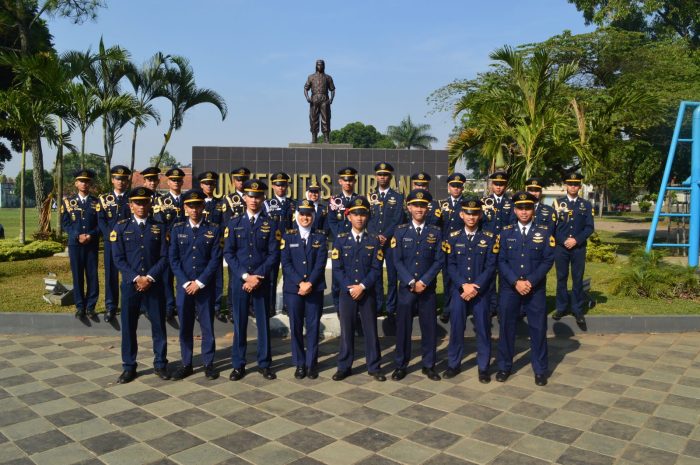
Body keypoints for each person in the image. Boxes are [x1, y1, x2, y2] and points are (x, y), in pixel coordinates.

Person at [110, 187, 170, 384]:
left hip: (154, 286)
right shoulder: (120, 228)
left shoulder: (159, 228)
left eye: (144, 202)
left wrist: (150, 277)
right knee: (128, 327)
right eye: (137, 202)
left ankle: (160, 363)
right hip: (130, 286)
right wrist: (136, 278)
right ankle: (129, 366)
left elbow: (164, 256)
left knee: (159, 326)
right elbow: (118, 259)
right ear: (130, 205)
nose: (141, 206)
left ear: (150, 204)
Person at [223, 179, 280, 381]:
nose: (254, 200)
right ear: (244, 197)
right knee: (240, 324)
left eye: (258, 196)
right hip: (241, 281)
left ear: (263, 198)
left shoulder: (270, 224)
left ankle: (264, 364)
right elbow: (229, 253)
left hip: (261, 282)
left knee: (263, 324)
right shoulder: (234, 222)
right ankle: (238, 364)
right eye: (250, 196)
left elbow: (273, 255)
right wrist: (246, 276)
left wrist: (257, 276)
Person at [497, 192, 555, 386]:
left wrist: (529, 281)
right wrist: (516, 282)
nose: (524, 212)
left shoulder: (544, 232)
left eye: (527, 208)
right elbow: (501, 260)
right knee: (506, 329)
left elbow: (548, 260)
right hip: (509, 289)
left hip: (535, 290)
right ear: (514, 210)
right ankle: (504, 366)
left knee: (538, 329)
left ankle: (540, 369)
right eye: (520, 208)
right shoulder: (505, 233)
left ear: (533, 210)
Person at [169, 190, 223, 381]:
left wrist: (199, 283)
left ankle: (208, 363)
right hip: (184, 287)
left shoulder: (213, 229)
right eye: (190, 206)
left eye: (197, 205)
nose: (194, 209)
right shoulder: (177, 229)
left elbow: (215, 259)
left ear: (203, 207)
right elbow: (173, 259)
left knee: (207, 326)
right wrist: (186, 282)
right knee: (185, 326)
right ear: (184, 208)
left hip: (204, 287)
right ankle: (186, 363)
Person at [330, 196, 386, 382]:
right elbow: (337, 269)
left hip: (366, 292)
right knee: (346, 331)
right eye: (355, 214)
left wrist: (361, 286)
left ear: (367, 216)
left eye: (363, 214)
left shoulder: (374, 240)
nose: (359, 218)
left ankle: (374, 366)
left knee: (371, 330)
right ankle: (344, 366)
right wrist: (351, 287)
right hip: (347, 293)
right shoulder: (341, 240)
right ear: (348, 216)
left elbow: (376, 269)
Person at [391, 190, 443, 381]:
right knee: (403, 329)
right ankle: (400, 365)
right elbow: (397, 261)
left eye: (423, 205)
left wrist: (424, 281)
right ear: (409, 208)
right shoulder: (400, 231)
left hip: (427, 289)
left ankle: (429, 365)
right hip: (407, 288)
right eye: (416, 205)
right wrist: (412, 282)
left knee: (429, 328)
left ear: (427, 208)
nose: (419, 209)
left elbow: (439, 260)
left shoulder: (435, 232)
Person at [445, 197, 498, 382]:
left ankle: (483, 367)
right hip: (460, 291)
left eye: (475, 213)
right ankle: (454, 364)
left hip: (480, 292)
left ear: (480, 215)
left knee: (483, 329)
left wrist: (476, 286)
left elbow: (491, 266)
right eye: (468, 212)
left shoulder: (489, 238)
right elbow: (450, 265)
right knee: (457, 328)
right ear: (461, 214)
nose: (471, 217)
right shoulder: (452, 237)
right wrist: (463, 285)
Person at [281, 200, 328, 379]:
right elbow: (286, 263)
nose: (305, 218)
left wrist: (310, 284)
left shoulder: (320, 237)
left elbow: (320, 264)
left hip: (314, 289)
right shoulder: (288, 236)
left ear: (313, 217)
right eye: (302, 214)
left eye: (308, 214)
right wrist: (300, 283)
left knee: (313, 327)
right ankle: (299, 363)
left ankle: (311, 364)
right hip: (294, 290)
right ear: (296, 216)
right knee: (296, 327)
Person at [552, 173, 594, 325]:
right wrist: (564, 241)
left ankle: (577, 309)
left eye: (576, 184)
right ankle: (561, 307)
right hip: (561, 248)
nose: (573, 187)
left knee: (577, 278)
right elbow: (553, 227)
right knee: (561, 277)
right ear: (566, 186)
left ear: (580, 186)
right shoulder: (557, 203)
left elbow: (589, 227)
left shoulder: (586, 205)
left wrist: (576, 240)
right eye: (570, 184)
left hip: (578, 248)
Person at [62, 169, 100, 319]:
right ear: (76, 183)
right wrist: (77, 235)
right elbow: (65, 223)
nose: (84, 184)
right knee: (77, 275)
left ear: (90, 183)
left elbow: (100, 224)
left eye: (87, 181)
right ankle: (79, 306)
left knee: (92, 275)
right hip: (75, 245)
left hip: (91, 244)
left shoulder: (96, 202)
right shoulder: (68, 202)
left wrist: (91, 235)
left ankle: (90, 307)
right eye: (81, 181)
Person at [368, 162, 405, 315]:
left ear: (390, 177)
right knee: (375, 274)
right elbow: (367, 219)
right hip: (375, 242)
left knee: (392, 276)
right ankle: (377, 305)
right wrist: (376, 236)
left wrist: (386, 236)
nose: (382, 177)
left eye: (385, 175)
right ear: (376, 177)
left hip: (391, 243)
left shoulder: (397, 197)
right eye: (380, 175)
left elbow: (398, 219)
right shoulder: (370, 197)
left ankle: (391, 307)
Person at [98, 165, 131, 323]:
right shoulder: (104, 199)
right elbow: (101, 220)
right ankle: (111, 306)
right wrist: (110, 235)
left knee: (129, 275)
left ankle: (129, 305)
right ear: (112, 180)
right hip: (111, 243)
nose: (121, 182)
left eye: (124, 179)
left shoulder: (132, 198)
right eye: (118, 178)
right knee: (111, 275)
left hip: (129, 243)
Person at [155, 167, 186, 323]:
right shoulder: (161, 200)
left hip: (186, 245)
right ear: (168, 182)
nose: (176, 182)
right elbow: (159, 223)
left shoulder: (188, 198)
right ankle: (169, 306)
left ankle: (183, 305)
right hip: (168, 244)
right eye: (173, 180)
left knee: (184, 274)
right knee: (167, 277)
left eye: (179, 180)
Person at [327, 167, 359, 311]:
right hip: (339, 242)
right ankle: (338, 305)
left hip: (356, 242)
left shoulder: (360, 200)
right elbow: (332, 221)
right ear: (340, 181)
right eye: (345, 180)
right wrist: (342, 237)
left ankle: (355, 302)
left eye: (351, 180)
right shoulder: (334, 200)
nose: (348, 183)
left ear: (354, 181)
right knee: (337, 274)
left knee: (356, 271)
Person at [198, 171, 228, 322]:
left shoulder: (220, 203)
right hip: (200, 245)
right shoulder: (196, 201)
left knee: (217, 276)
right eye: (206, 183)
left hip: (215, 244)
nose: (209, 186)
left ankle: (216, 307)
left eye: (211, 183)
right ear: (201, 185)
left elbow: (223, 224)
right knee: (199, 273)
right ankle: (199, 308)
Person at [266, 172, 297, 315]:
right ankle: (270, 306)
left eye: (283, 185)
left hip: (289, 246)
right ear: (273, 186)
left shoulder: (293, 204)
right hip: (273, 245)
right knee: (271, 278)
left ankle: (287, 306)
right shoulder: (267, 204)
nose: (281, 188)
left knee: (289, 277)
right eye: (278, 185)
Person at [438, 172, 467, 323]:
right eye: (453, 186)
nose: (456, 189)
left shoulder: (467, 205)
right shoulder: (441, 204)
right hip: (445, 247)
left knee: (461, 278)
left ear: (463, 188)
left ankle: (458, 306)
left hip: (462, 247)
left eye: (459, 186)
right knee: (447, 279)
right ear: (448, 187)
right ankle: (447, 308)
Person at [304, 59, 335, 143]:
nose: (319, 66)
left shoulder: (328, 77)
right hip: (314, 99)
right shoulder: (311, 77)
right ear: (316, 66)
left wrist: (331, 99)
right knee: (313, 119)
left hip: (324, 99)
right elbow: (306, 88)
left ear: (324, 66)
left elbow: (332, 89)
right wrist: (307, 97)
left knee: (326, 119)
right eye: (318, 65)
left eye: (321, 65)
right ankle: (314, 139)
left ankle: (326, 139)